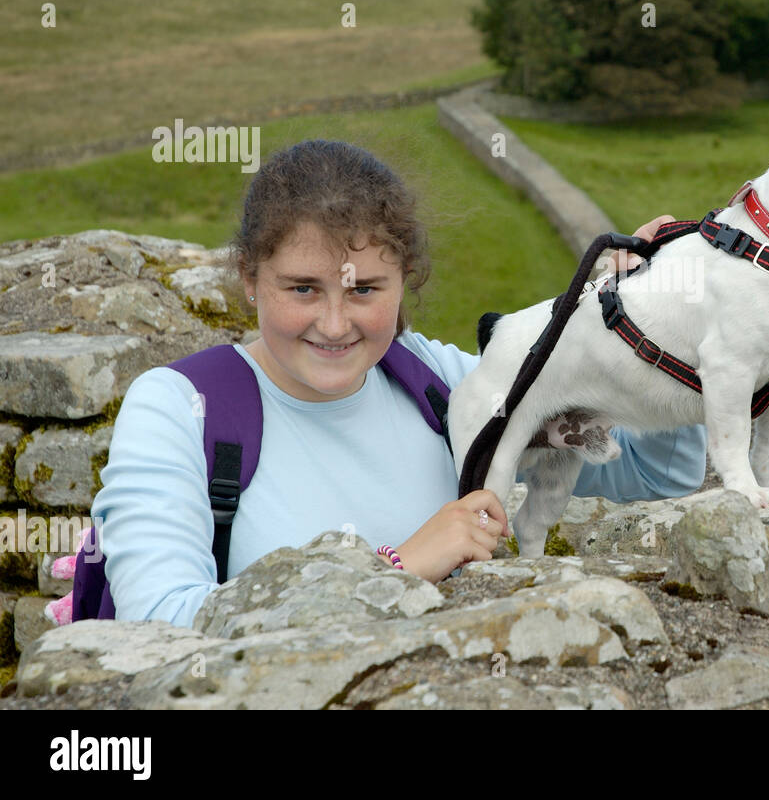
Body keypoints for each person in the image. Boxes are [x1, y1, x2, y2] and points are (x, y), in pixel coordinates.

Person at [91, 140, 707, 629]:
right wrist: (399, 567)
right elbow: (160, 624)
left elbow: (653, 478)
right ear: (250, 277)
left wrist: (650, 327)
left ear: (404, 279)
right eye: (303, 288)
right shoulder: (179, 410)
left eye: (364, 290)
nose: (334, 325)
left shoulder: (435, 383)